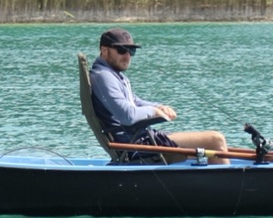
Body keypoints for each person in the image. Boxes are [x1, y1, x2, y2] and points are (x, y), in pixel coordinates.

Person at [89, 27, 229, 164]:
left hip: (142, 138)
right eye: (121, 50)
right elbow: (127, 115)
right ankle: (227, 184)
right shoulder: (104, 76)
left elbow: (135, 101)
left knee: (212, 148)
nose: (127, 56)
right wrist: (153, 112)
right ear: (104, 50)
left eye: (131, 51)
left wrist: (159, 107)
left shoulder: (113, 74)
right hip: (136, 145)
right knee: (215, 140)